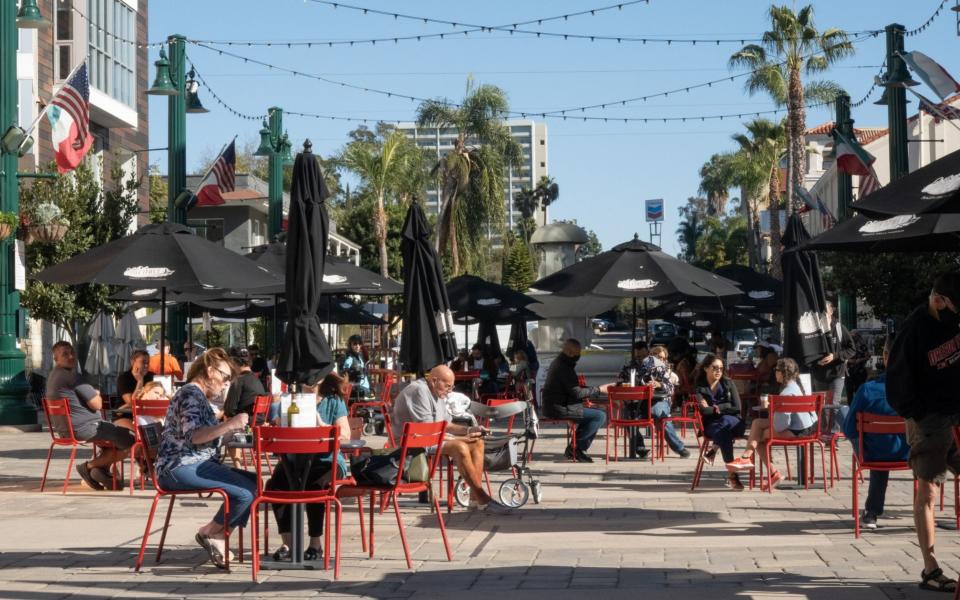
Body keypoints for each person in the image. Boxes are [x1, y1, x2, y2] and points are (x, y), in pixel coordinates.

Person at [886, 272, 960, 592]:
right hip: (928, 419)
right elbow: (897, 383)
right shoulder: (913, 330)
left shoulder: (955, 321)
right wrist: (917, 412)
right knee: (928, 493)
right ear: (938, 300)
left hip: (955, 413)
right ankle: (930, 569)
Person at [153, 348, 255, 569]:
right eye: (224, 377)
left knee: (255, 483)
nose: (226, 383)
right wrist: (229, 424)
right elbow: (195, 435)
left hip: (190, 462)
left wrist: (228, 434)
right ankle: (211, 532)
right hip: (180, 466)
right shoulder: (190, 394)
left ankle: (217, 533)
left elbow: (204, 435)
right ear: (210, 371)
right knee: (246, 493)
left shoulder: (197, 395)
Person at [392, 365, 511, 512]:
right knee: (459, 446)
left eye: (452, 387)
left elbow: (446, 424)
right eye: (448, 386)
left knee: (477, 442)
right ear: (434, 380)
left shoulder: (438, 392)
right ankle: (483, 498)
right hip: (411, 442)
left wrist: (470, 429)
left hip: (427, 437)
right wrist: (459, 438)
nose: (450, 391)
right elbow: (428, 430)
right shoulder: (419, 391)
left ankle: (475, 498)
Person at [266, 373, 351, 562]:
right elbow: (278, 434)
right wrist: (278, 426)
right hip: (293, 462)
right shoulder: (289, 402)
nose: (309, 381)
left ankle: (315, 543)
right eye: (304, 376)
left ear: (321, 377)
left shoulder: (332, 401)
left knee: (315, 485)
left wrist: (322, 425)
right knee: (275, 485)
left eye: (313, 376)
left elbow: (345, 435)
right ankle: (288, 543)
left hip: (328, 461)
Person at [46, 341, 135, 491]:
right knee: (131, 439)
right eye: (65, 354)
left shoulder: (54, 376)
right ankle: (89, 467)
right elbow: (97, 405)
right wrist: (97, 395)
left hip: (65, 430)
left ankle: (100, 470)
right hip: (86, 428)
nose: (71, 356)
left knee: (114, 441)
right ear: (56, 359)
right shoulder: (72, 376)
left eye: (72, 352)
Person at [843, 336, 909, 531]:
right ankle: (924, 510)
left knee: (873, 443)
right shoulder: (918, 391)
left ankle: (872, 512)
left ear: (885, 357)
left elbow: (848, 430)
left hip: (874, 455)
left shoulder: (867, 390)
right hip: (910, 454)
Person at [729, 358, 817, 489]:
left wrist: (773, 411)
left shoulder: (786, 393)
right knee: (757, 423)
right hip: (809, 426)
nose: (774, 372)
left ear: (782, 373)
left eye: (776, 370)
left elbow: (780, 426)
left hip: (798, 430)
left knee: (758, 436)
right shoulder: (796, 386)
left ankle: (763, 467)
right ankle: (748, 458)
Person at [541, 338, 609, 463]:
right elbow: (576, 393)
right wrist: (600, 389)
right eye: (577, 354)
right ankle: (576, 448)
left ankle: (575, 447)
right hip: (559, 408)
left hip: (558, 405)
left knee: (593, 414)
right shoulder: (564, 367)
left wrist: (592, 389)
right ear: (569, 352)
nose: (578, 356)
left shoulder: (560, 363)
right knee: (599, 416)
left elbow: (572, 389)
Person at [693, 354, 746, 490]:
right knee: (723, 433)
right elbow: (704, 412)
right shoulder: (700, 387)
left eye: (721, 368)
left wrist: (714, 408)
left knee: (724, 422)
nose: (718, 371)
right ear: (706, 368)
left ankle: (713, 451)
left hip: (735, 423)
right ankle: (733, 476)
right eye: (715, 368)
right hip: (713, 426)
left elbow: (737, 408)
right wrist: (725, 406)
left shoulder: (728, 383)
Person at [632, 345, 689, 459]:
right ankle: (640, 448)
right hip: (640, 402)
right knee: (629, 415)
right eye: (658, 357)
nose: (661, 360)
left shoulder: (664, 369)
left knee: (658, 414)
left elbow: (671, 388)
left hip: (660, 401)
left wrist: (659, 384)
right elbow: (622, 382)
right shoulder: (633, 368)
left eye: (663, 358)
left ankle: (679, 448)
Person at [222, 347, 267, 469]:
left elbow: (229, 410)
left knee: (224, 432)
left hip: (246, 436)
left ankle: (237, 467)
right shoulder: (256, 380)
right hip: (258, 432)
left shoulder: (238, 381)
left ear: (233, 363)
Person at [811, 300, 856, 407]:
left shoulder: (839, 328)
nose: (823, 315)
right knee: (821, 406)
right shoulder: (814, 330)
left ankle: (837, 424)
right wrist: (815, 360)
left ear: (831, 312)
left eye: (825, 312)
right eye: (820, 312)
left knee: (833, 406)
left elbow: (852, 349)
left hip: (836, 374)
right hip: (819, 375)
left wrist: (835, 356)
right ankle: (825, 424)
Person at [845, 330, 871, 404]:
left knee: (857, 392)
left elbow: (868, 356)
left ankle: (856, 408)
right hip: (850, 371)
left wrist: (860, 360)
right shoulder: (847, 345)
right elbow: (844, 358)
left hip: (859, 371)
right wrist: (853, 361)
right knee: (851, 393)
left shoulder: (862, 345)